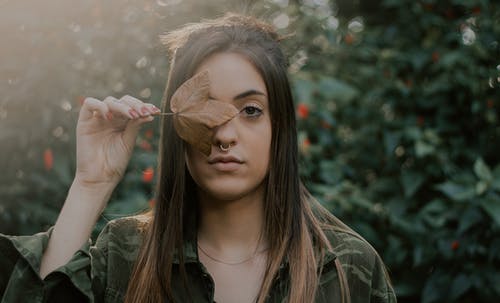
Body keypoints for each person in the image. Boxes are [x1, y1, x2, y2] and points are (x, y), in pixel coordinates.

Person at [0, 13, 396, 303]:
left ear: (281, 128)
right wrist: (91, 184)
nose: (224, 134)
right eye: (205, 110)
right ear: (177, 126)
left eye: (251, 111)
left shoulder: (346, 271)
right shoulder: (124, 258)